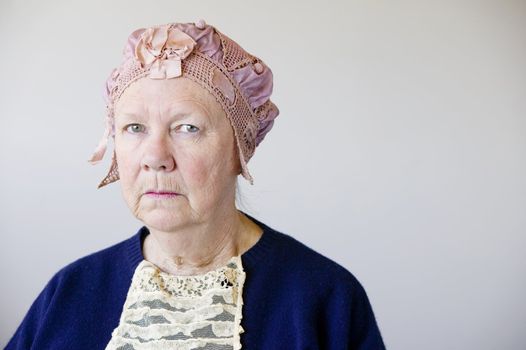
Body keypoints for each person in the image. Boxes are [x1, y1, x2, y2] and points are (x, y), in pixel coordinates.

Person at [4, 19, 386, 350]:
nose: (156, 156)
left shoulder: (325, 298)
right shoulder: (68, 293)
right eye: (134, 127)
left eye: (187, 128)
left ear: (239, 149)